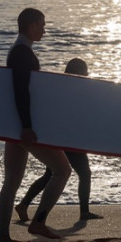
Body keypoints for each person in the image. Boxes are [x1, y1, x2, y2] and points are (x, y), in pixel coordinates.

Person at [0, 8, 71, 242]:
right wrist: (27, 127)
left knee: (12, 182)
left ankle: (3, 237)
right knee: (62, 170)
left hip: (14, 126)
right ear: (31, 26)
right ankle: (38, 222)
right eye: (42, 25)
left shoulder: (20, 50)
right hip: (25, 127)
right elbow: (21, 92)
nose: (44, 30)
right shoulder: (21, 53)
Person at [15, 58, 102, 222]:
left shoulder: (61, 87)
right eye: (85, 71)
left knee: (50, 174)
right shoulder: (75, 89)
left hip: (59, 137)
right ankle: (84, 211)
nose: (87, 74)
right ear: (78, 72)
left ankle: (24, 204)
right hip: (70, 139)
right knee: (84, 173)